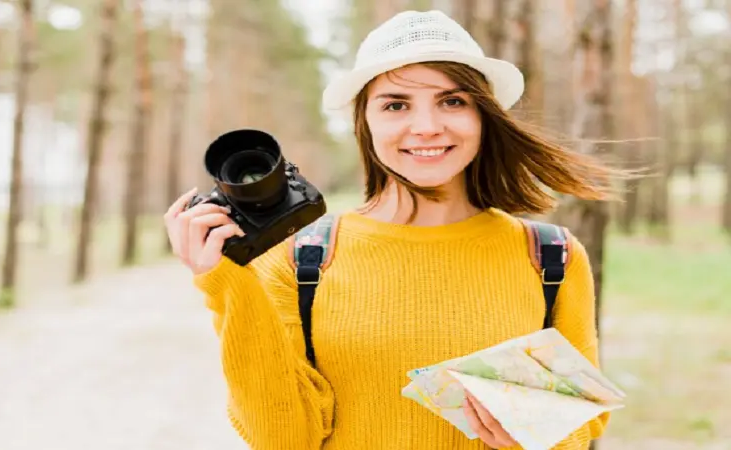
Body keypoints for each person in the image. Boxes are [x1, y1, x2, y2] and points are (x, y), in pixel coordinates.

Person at [164, 9, 620, 450]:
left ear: (484, 116)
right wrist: (225, 285)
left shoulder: (551, 257)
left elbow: (581, 425)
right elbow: (284, 440)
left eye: (452, 101)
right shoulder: (302, 261)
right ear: (365, 121)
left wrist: (530, 439)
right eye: (396, 104)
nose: (425, 127)